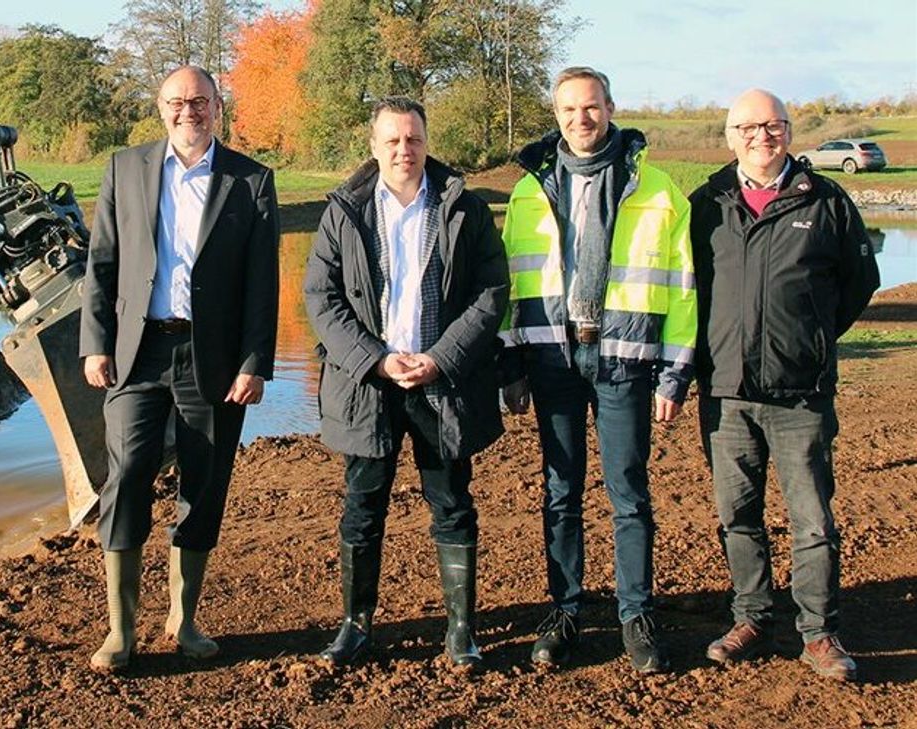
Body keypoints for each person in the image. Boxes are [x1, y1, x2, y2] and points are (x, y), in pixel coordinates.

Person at [80, 65, 279, 670]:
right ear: (160, 107)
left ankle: (184, 619)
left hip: (213, 359)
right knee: (126, 476)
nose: (187, 111)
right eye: (176, 101)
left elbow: (262, 283)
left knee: (204, 483)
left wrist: (254, 362)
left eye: (199, 101)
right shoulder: (125, 167)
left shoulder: (251, 180)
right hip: (138, 353)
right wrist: (96, 344)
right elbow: (102, 262)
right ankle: (121, 630)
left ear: (217, 107)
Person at [499, 66, 695, 673]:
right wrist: (510, 364)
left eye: (590, 107)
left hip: (624, 360)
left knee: (628, 492)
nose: (580, 119)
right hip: (551, 358)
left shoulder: (656, 188)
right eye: (568, 110)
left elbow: (683, 287)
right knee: (560, 490)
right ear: (555, 115)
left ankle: (636, 614)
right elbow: (509, 285)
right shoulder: (529, 190)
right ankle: (565, 612)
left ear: (610, 108)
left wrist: (674, 373)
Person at [303, 96, 509, 669]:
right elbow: (320, 297)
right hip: (368, 385)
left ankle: (461, 631)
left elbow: (491, 292)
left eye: (413, 139)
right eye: (392, 140)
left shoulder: (462, 207)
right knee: (362, 505)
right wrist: (373, 359)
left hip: (442, 383)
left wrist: (442, 358)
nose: (404, 150)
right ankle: (354, 626)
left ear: (425, 142)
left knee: (452, 503)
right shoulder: (343, 212)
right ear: (374, 146)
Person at [690, 89, 879, 681]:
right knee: (736, 514)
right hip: (726, 391)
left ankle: (819, 632)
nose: (761, 136)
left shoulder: (826, 200)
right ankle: (751, 617)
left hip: (801, 393)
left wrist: (811, 337)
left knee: (813, 519)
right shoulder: (706, 203)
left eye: (773, 125)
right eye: (748, 127)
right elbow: (686, 290)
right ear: (730, 137)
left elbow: (859, 282)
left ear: (790, 132)